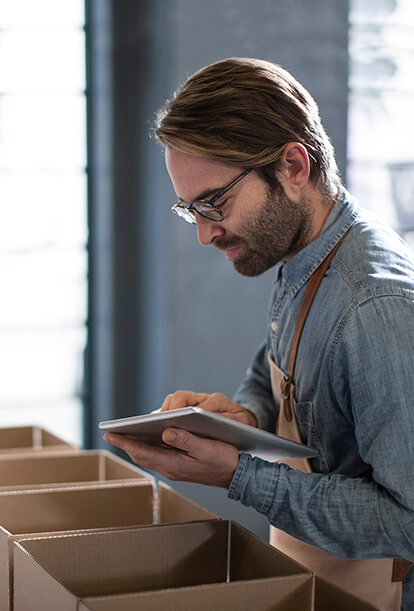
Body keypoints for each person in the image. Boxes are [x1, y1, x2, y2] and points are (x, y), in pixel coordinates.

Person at [104, 58, 414, 609]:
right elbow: (275, 362)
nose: (203, 234)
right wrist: (245, 416)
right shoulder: (308, 255)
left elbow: (410, 521)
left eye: (214, 204)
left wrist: (239, 476)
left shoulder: (375, 307)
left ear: (293, 165)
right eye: (188, 209)